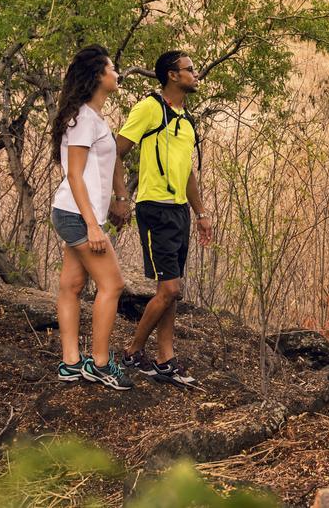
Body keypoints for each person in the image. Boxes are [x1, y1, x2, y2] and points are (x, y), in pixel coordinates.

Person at [117, 50, 212, 387]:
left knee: (170, 290)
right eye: (190, 69)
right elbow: (117, 150)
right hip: (153, 208)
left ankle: (165, 359)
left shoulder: (186, 120)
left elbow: (187, 174)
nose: (195, 74)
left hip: (179, 212)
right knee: (169, 287)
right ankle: (131, 351)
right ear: (172, 75)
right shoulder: (149, 108)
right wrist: (120, 199)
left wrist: (200, 213)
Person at [51, 45, 133, 390]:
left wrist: (116, 199)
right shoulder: (84, 119)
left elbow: (104, 167)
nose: (118, 74)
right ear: (99, 75)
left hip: (74, 213)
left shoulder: (92, 117)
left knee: (71, 285)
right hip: (75, 215)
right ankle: (99, 364)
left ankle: (71, 363)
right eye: (113, 68)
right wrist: (92, 224)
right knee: (112, 285)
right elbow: (74, 175)